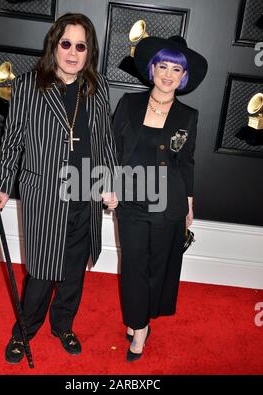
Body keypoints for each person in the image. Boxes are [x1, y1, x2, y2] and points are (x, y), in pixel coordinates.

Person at [0, 13, 118, 364]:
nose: (73, 53)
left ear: (90, 52)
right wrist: (0, 186)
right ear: (54, 45)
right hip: (44, 193)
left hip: (85, 194)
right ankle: (24, 332)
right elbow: (11, 142)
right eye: (66, 44)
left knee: (74, 269)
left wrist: (109, 184)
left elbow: (105, 140)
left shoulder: (98, 86)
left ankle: (63, 325)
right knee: (42, 270)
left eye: (81, 46)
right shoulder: (29, 85)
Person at [113, 36, 208, 361]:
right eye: (163, 66)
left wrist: (190, 204)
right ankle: (139, 329)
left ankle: (140, 317)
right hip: (131, 201)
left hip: (170, 202)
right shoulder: (128, 103)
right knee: (134, 264)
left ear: (183, 76)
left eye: (176, 68)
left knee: (157, 267)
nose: (168, 74)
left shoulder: (188, 115)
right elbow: (112, 149)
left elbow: (187, 160)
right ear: (152, 69)